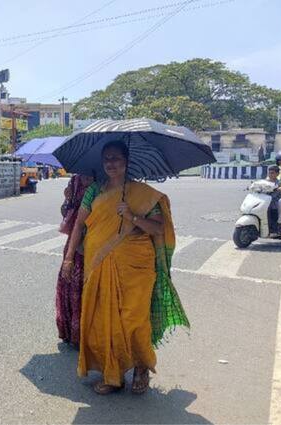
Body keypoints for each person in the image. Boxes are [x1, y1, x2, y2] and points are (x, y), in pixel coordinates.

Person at [62, 140, 188, 395]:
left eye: (117, 158)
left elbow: (157, 228)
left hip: (137, 268)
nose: (111, 163)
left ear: (126, 161)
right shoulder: (93, 191)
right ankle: (113, 374)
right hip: (98, 262)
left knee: (133, 320)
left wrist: (131, 216)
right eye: (107, 159)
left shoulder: (142, 193)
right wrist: (67, 259)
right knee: (101, 319)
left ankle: (141, 366)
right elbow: (78, 226)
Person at [55, 174, 94, 348]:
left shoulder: (105, 180)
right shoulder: (75, 181)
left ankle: (93, 335)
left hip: (98, 240)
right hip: (75, 242)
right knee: (71, 285)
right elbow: (66, 213)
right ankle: (72, 333)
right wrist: (68, 199)